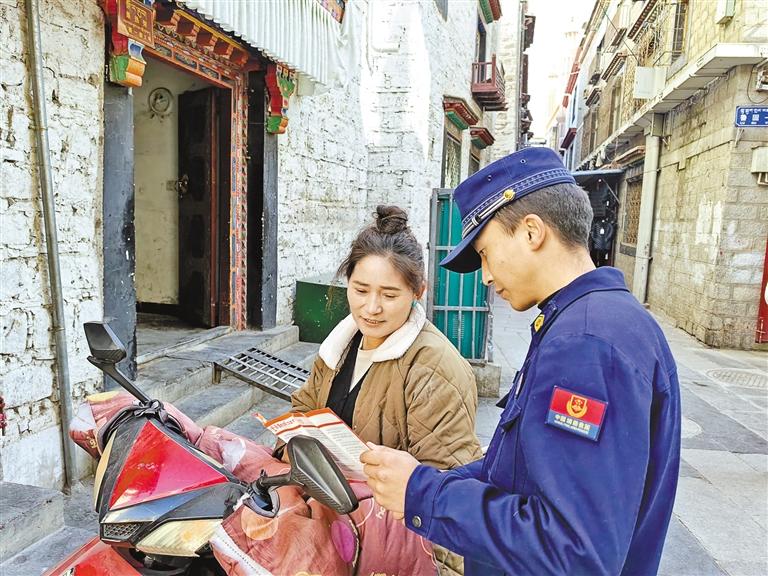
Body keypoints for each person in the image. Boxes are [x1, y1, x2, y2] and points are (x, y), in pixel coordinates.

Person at [361, 148, 681, 576]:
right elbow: (520, 475)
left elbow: (574, 552)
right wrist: (424, 482)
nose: (486, 276)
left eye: (486, 253)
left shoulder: (585, 343)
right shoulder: (592, 320)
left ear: (531, 232)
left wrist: (424, 495)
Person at [291, 205, 483, 575]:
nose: (372, 308)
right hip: (339, 530)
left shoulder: (435, 367)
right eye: (360, 290)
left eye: (390, 295)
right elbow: (303, 408)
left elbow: (447, 484)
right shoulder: (339, 347)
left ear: (418, 292)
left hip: (397, 549)